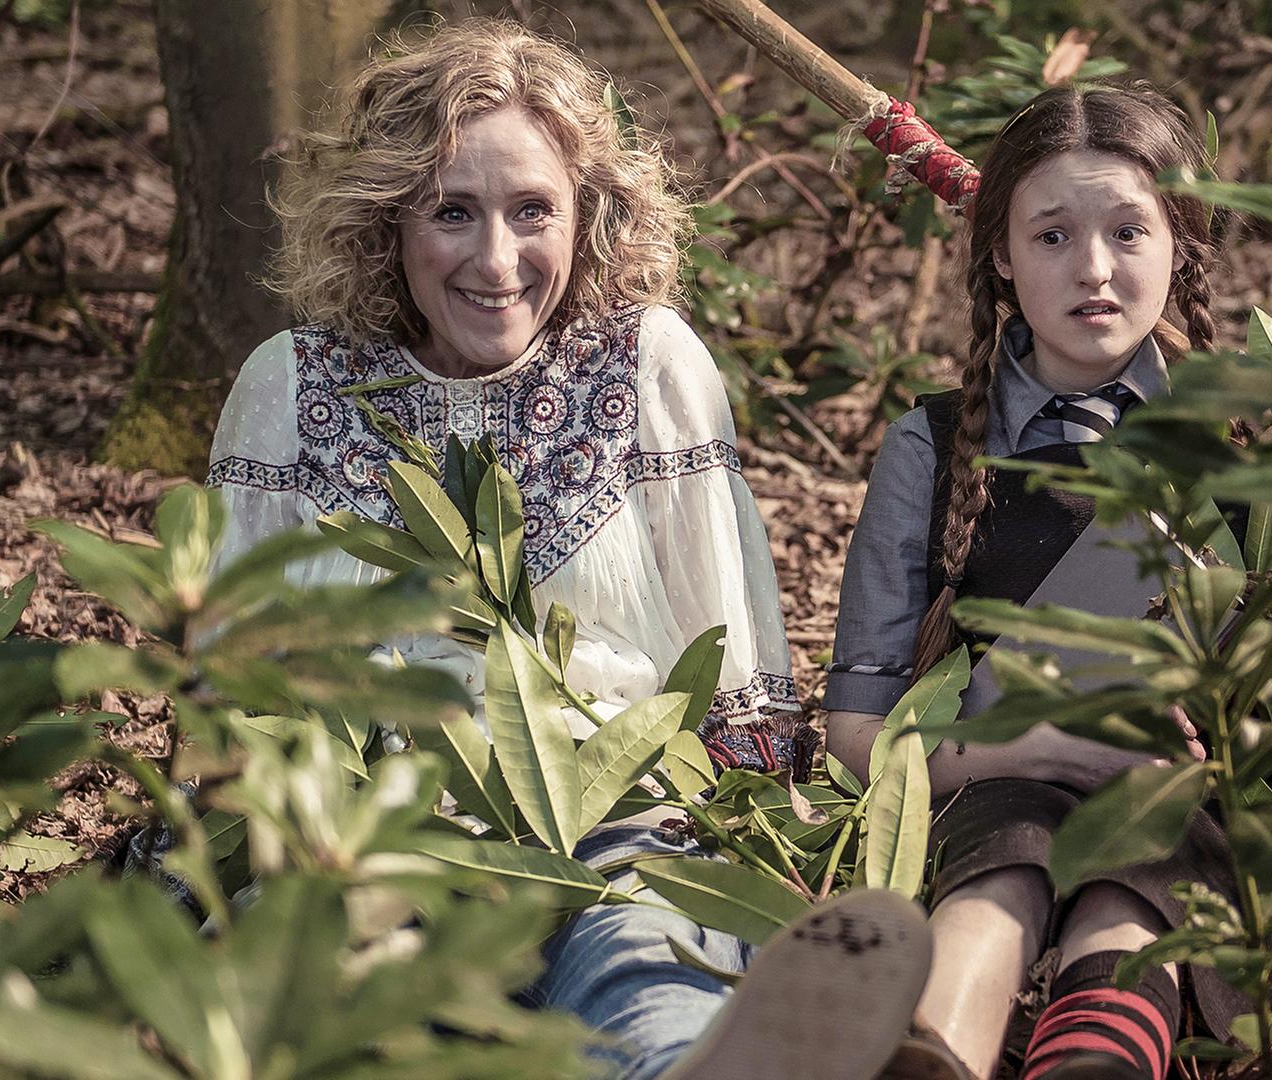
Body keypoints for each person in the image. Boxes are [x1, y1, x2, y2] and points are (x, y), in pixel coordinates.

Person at [206, 19, 927, 1080]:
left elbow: (731, 663)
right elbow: (229, 681)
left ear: (585, 215)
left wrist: (766, 835)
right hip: (370, 836)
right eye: (453, 212)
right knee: (360, 1010)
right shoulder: (289, 386)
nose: (496, 261)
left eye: (531, 210)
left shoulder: (649, 364)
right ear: (388, 221)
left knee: (646, 974)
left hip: (625, 821)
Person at [825, 83, 1246, 1080]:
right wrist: (1047, 742)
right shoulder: (930, 449)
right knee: (994, 881)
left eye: (1128, 232)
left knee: (1133, 900)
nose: (1093, 270)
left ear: (1181, 245)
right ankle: (931, 1054)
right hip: (985, 783)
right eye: (1051, 236)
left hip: (1176, 804)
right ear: (1002, 258)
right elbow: (855, 738)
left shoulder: (1247, 448)